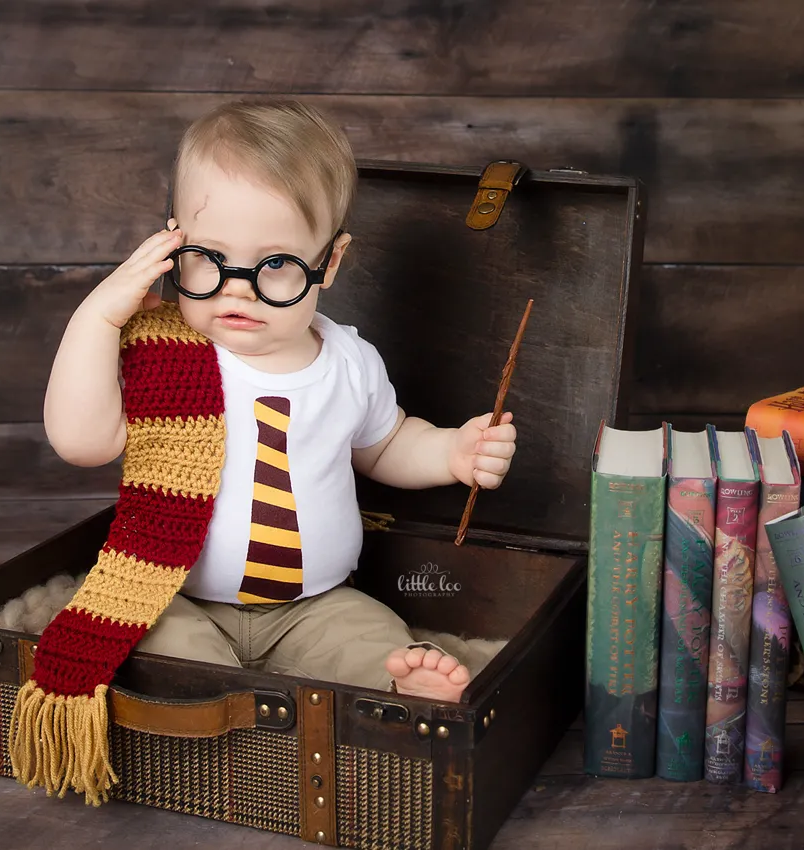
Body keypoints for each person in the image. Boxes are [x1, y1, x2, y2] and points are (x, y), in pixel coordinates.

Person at [41, 99, 517, 704]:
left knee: (369, 635)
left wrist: (452, 452)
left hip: (315, 604)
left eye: (276, 266)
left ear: (330, 262)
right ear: (172, 245)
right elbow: (80, 442)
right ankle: (219, 697)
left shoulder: (348, 361)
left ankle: (397, 681)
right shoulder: (167, 354)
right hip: (179, 597)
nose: (237, 286)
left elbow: (387, 444)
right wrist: (97, 317)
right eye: (209, 258)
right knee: (169, 655)